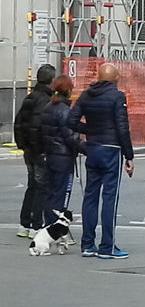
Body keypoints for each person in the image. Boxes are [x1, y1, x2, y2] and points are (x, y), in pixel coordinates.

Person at [67, 63, 134, 259]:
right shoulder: (117, 96)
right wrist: (129, 156)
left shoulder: (86, 95)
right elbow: (123, 128)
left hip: (93, 148)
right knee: (110, 198)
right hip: (111, 149)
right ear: (115, 77)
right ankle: (107, 246)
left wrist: (91, 130)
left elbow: (71, 121)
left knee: (91, 197)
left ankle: (87, 244)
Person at [14, 64, 56, 239]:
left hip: (29, 151)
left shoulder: (30, 97)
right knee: (40, 186)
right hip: (39, 151)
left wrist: (23, 145)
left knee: (32, 185)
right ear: (51, 81)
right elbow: (40, 128)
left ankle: (24, 223)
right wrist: (43, 150)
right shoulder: (45, 100)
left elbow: (19, 123)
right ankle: (36, 225)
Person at [40, 75, 86, 225]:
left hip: (50, 155)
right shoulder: (65, 111)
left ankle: (48, 225)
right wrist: (87, 149)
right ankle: (56, 228)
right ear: (67, 91)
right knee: (61, 194)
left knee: (49, 193)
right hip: (64, 157)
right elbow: (71, 137)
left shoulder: (47, 108)